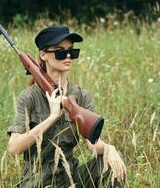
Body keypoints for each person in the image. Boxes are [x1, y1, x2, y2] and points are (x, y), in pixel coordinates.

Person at [7, 26, 126, 187]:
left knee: (110, 163)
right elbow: (13, 149)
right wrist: (52, 117)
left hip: (72, 176)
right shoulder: (29, 97)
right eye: (60, 51)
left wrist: (108, 148)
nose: (68, 55)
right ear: (43, 55)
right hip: (38, 181)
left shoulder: (81, 96)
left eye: (72, 51)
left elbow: (93, 144)